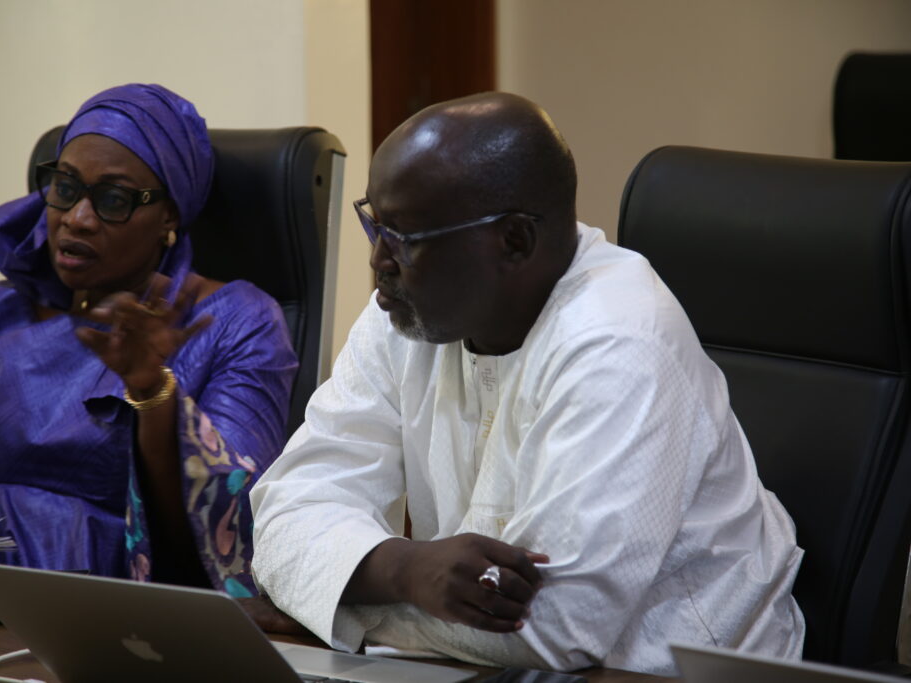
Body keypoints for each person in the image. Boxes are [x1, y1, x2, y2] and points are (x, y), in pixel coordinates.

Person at [250, 92, 805, 674]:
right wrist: (404, 569)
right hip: (483, 668)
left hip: (667, 670)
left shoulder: (620, 340)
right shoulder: (407, 315)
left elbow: (552, 628)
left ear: (514, 240)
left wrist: (337, 605)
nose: (379, 262)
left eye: (406, 240)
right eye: (376, 226)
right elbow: (287, 511)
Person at [0, 84, 297, 602]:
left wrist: (153, 394)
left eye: (113, 199)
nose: (77, 218)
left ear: (169, 216)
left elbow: (234, 525)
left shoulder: (237, 320)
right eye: (65, 186)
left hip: (114, 608)